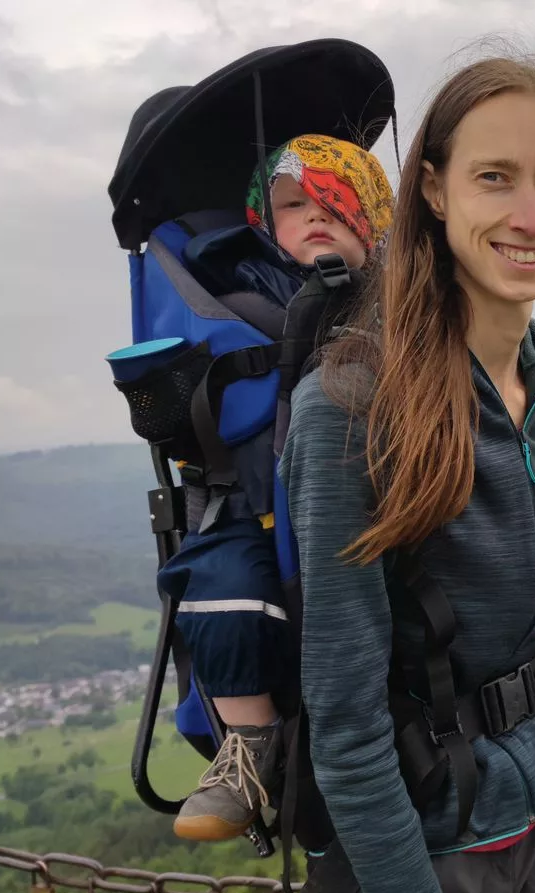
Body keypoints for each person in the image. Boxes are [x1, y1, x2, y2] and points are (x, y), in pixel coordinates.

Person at [278, 51, 535, 893]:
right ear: (434, 192)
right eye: (495, 177)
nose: (530, 214)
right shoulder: (350, 410)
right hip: (432, 858)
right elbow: (351, 730)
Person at [160, 133, 393, 842]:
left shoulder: (399, 305)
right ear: (264, 223)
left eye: (335, 201)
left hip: (365, 509)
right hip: (253, 510)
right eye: (294, 205)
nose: (315, 214)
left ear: (374, 218)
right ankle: (249, 744)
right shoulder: (235, 289)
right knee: (217, 584)